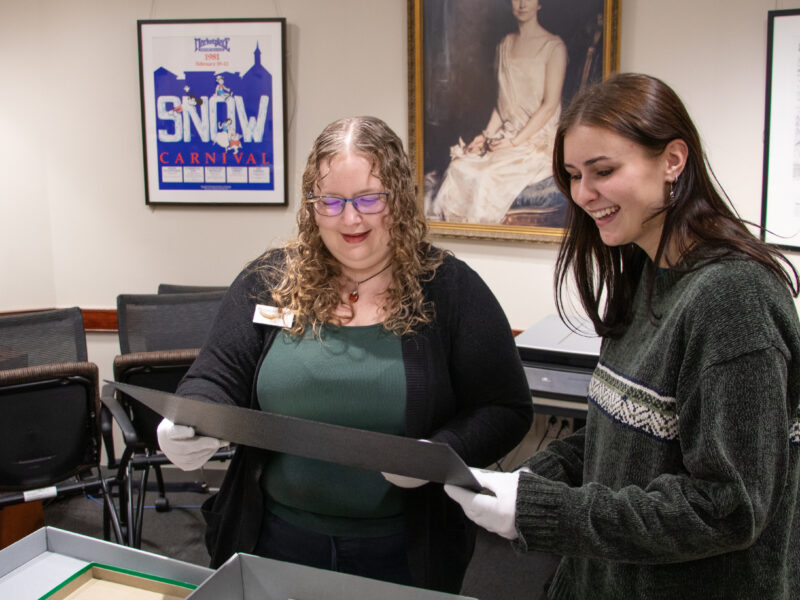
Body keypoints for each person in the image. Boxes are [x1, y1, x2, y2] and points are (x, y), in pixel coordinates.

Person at [444, 73, 800, 599]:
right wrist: (526, 481)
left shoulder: (734, 299)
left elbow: (728, 507)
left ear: (673, 160)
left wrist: (542, 510)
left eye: (603, 171)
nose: (584, 194)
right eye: (572, 174)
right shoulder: (643, 274)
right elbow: (616, 444)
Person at [156, 116, 533, 593]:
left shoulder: (450, 289)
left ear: (398, 198)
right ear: (311, 207)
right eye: (330, 202)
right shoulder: (270, 281)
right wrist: (186, 420)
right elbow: (217, 374)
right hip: (272, 538)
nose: (349, 219)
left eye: (368, 199)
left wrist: (440, 454)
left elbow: (506, 408)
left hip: (402, 552)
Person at [429, 0, 567, 224]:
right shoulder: (505, 44)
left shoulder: (554, 47)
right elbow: (501, 105)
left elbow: (549, 106)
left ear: (539, 3)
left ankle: (480, 240)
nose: (522, 4)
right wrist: (484, 135)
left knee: (486, 177)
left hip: (536, 139)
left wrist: (515, 142)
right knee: (459, 167)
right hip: (506, 135)